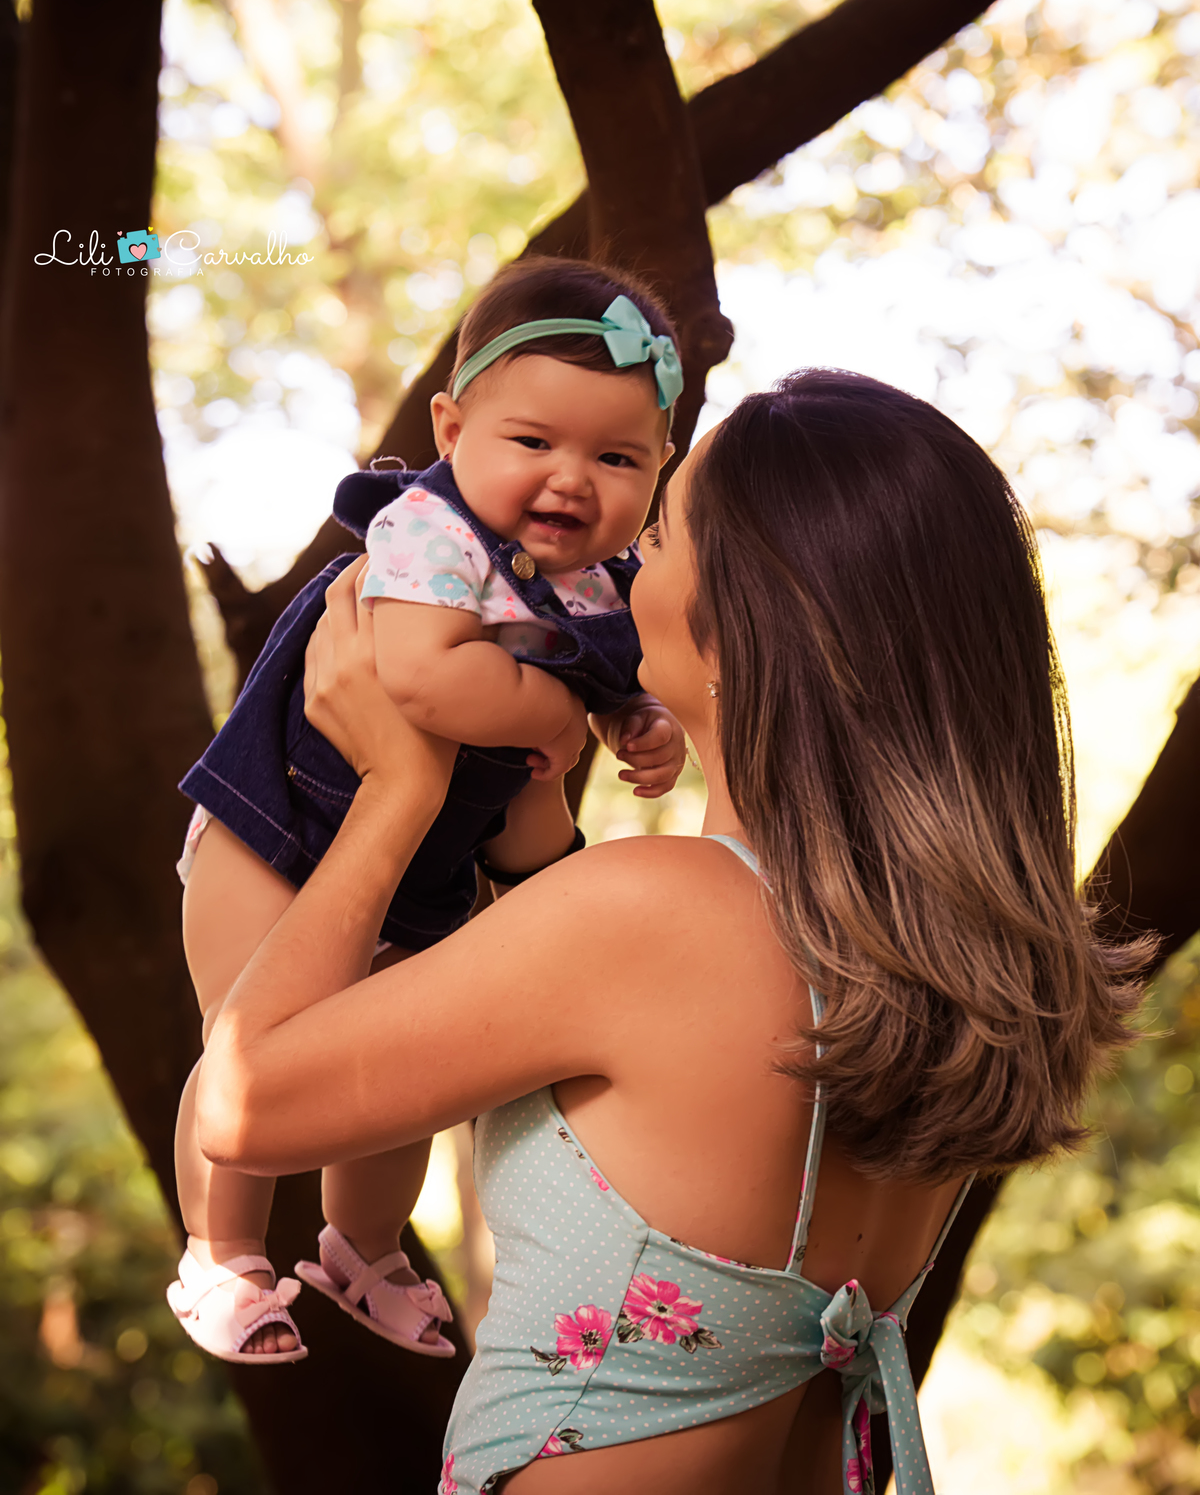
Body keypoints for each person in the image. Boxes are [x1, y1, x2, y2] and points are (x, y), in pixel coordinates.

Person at [196, 370, 1147, 1492]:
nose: (631, 563)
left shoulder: (660, 915)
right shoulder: (948, 973)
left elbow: (242, 1104)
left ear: (742, 632)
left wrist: (397, 792)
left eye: (664, 529)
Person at [169, 259, 690, 1365]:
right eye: (533, 442)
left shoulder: (603, 588)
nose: (570, 479)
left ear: (660, 471)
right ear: (453, 427)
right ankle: (222, 1255)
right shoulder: (425, 534)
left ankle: (363, 1247)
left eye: (615, 457)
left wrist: (634, 719)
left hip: (424, 865)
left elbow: (604, 685)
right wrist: (556, 709)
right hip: (278, 828)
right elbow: (419, 682)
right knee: (243, 1044)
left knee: (388, 1087)